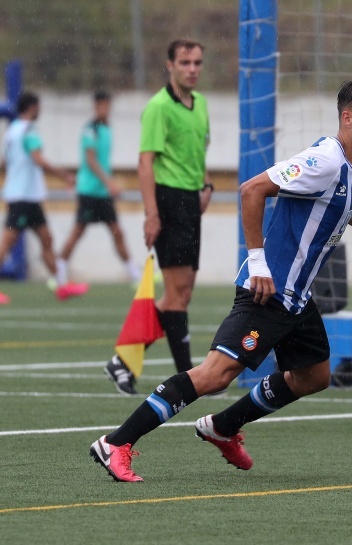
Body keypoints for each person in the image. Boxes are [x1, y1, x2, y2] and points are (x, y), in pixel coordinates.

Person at [89, 78, 352, 482]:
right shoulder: (324, 160)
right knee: (215, 374)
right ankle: (116, 443)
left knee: (314, 376)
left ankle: (223, 426)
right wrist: (258, 263)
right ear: (348, 118)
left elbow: (347, 205)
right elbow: (252, 190)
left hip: (297, 299)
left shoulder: (351, 165)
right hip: (268, 291)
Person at [104, 39, 213, 395]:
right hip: (168, 202)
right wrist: (152, 214)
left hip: (190, 202)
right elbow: (145, 163)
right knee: (177, 295)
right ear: (170, 65)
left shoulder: (201, 104)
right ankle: (189, 378)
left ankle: (123, 360)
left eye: (197, 62)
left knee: (180, 294)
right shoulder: (158, 107)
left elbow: (199, 151)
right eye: (185, 62)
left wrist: (206, 185)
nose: (192, 69)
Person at [0, 92, 89, 305]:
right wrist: (64, 175)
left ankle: (61, 285)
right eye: (38, 107)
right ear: (32, 107)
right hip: (23, 197)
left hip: (28, 196)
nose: (40, 110)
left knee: (46, 239)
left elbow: (5, 162)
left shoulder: (12, 130)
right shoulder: (29, 130)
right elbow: (38, 159)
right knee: (7, 243)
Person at [56, 91, 140, 287]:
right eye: (102, 105)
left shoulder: (107, 129)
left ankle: (134, 274)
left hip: (102, 193)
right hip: (89, 191)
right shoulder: (90, 130)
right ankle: (58, 273)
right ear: (95, 107)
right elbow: (91, 160)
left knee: (117, 232)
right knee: (77, 232)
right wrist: (110, 183)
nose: (106, 109)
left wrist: (107, 185)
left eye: (108, 105)